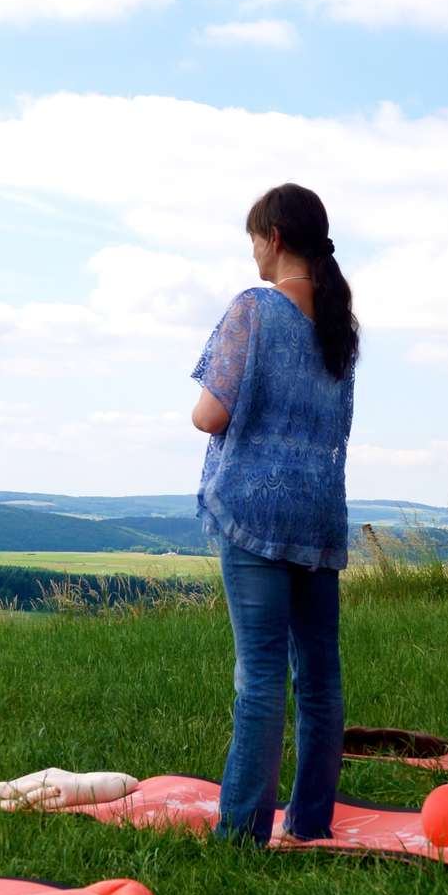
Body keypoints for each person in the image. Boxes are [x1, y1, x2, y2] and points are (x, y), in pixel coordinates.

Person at [191, 183, 359, 845]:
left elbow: (213, 412)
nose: (254, 252)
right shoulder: (339, 325)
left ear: (276, 237)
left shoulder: (254, 310)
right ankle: (311, 822)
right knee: (320, 676)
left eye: (255, 238)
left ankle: (242, 833)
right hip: (318, 516)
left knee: (259, 676)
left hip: (256, 514)